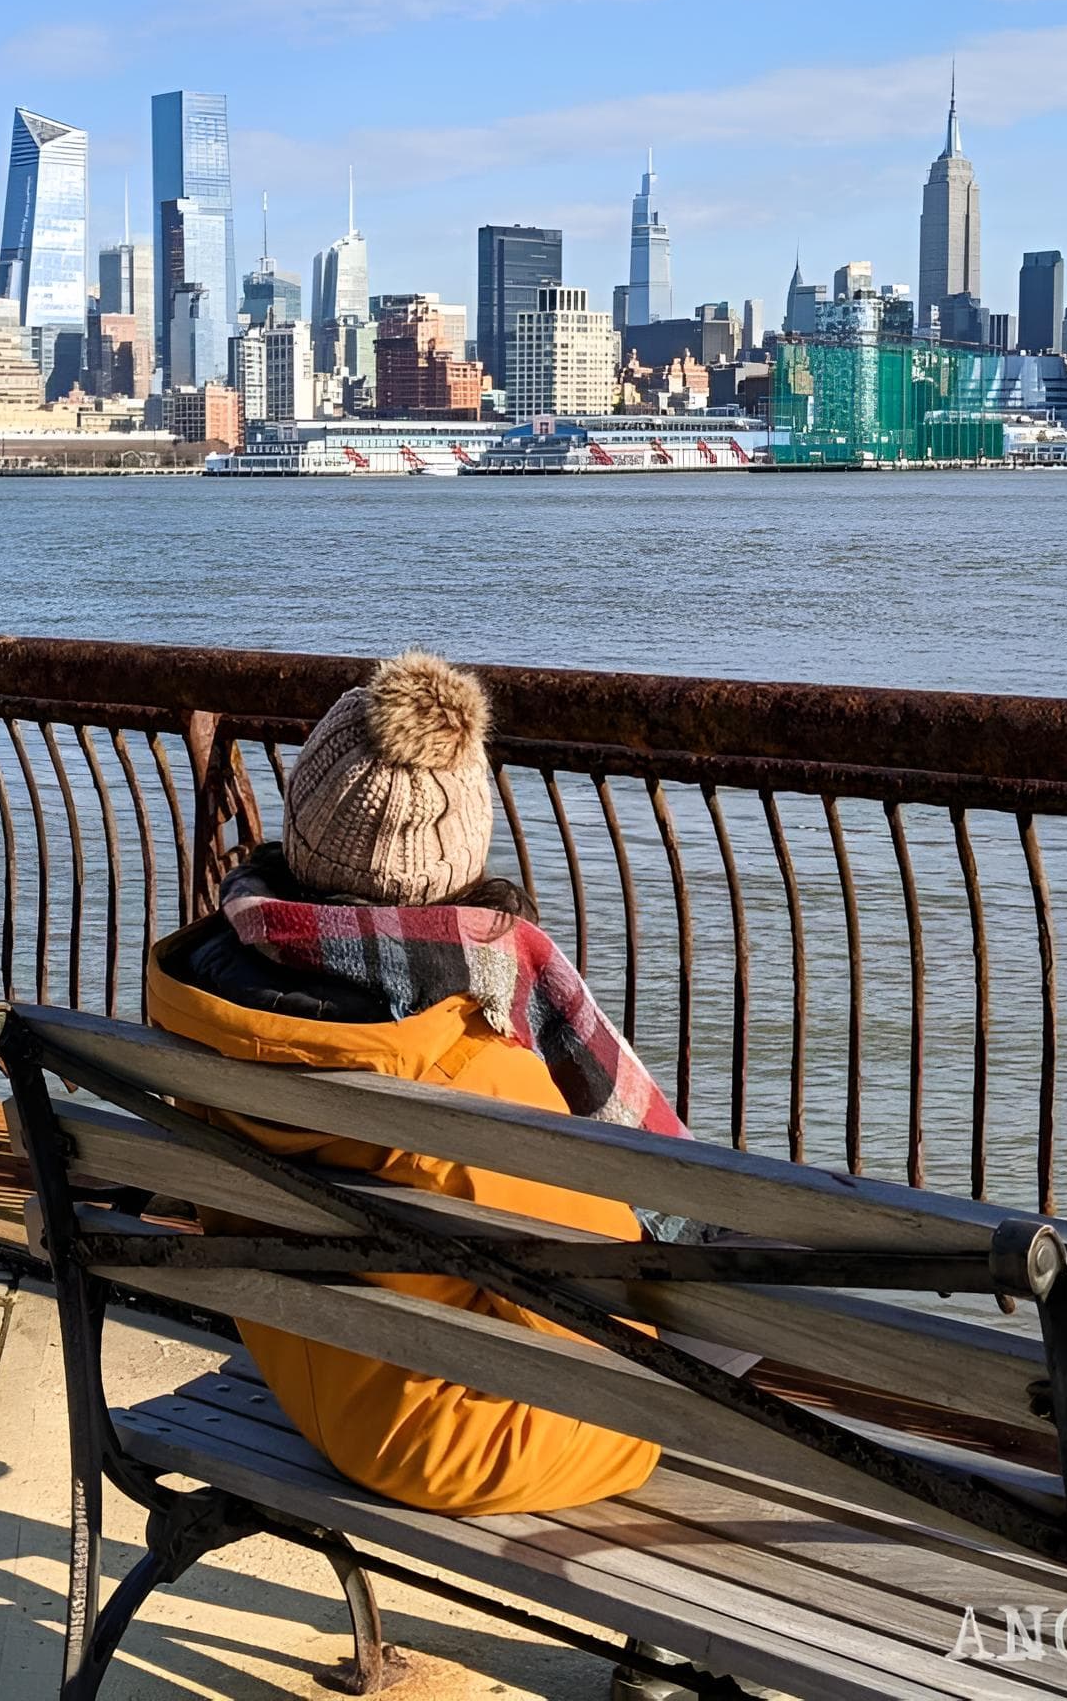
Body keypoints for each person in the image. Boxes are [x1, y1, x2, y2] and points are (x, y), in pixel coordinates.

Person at [144, 650, 675, 1518]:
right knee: (674, 1387)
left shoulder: (200, 995)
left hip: (315, 1366)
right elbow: (603, 1317)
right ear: (463, 853)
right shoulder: (475, 1070)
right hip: (449, 1437)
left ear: (307, 820)